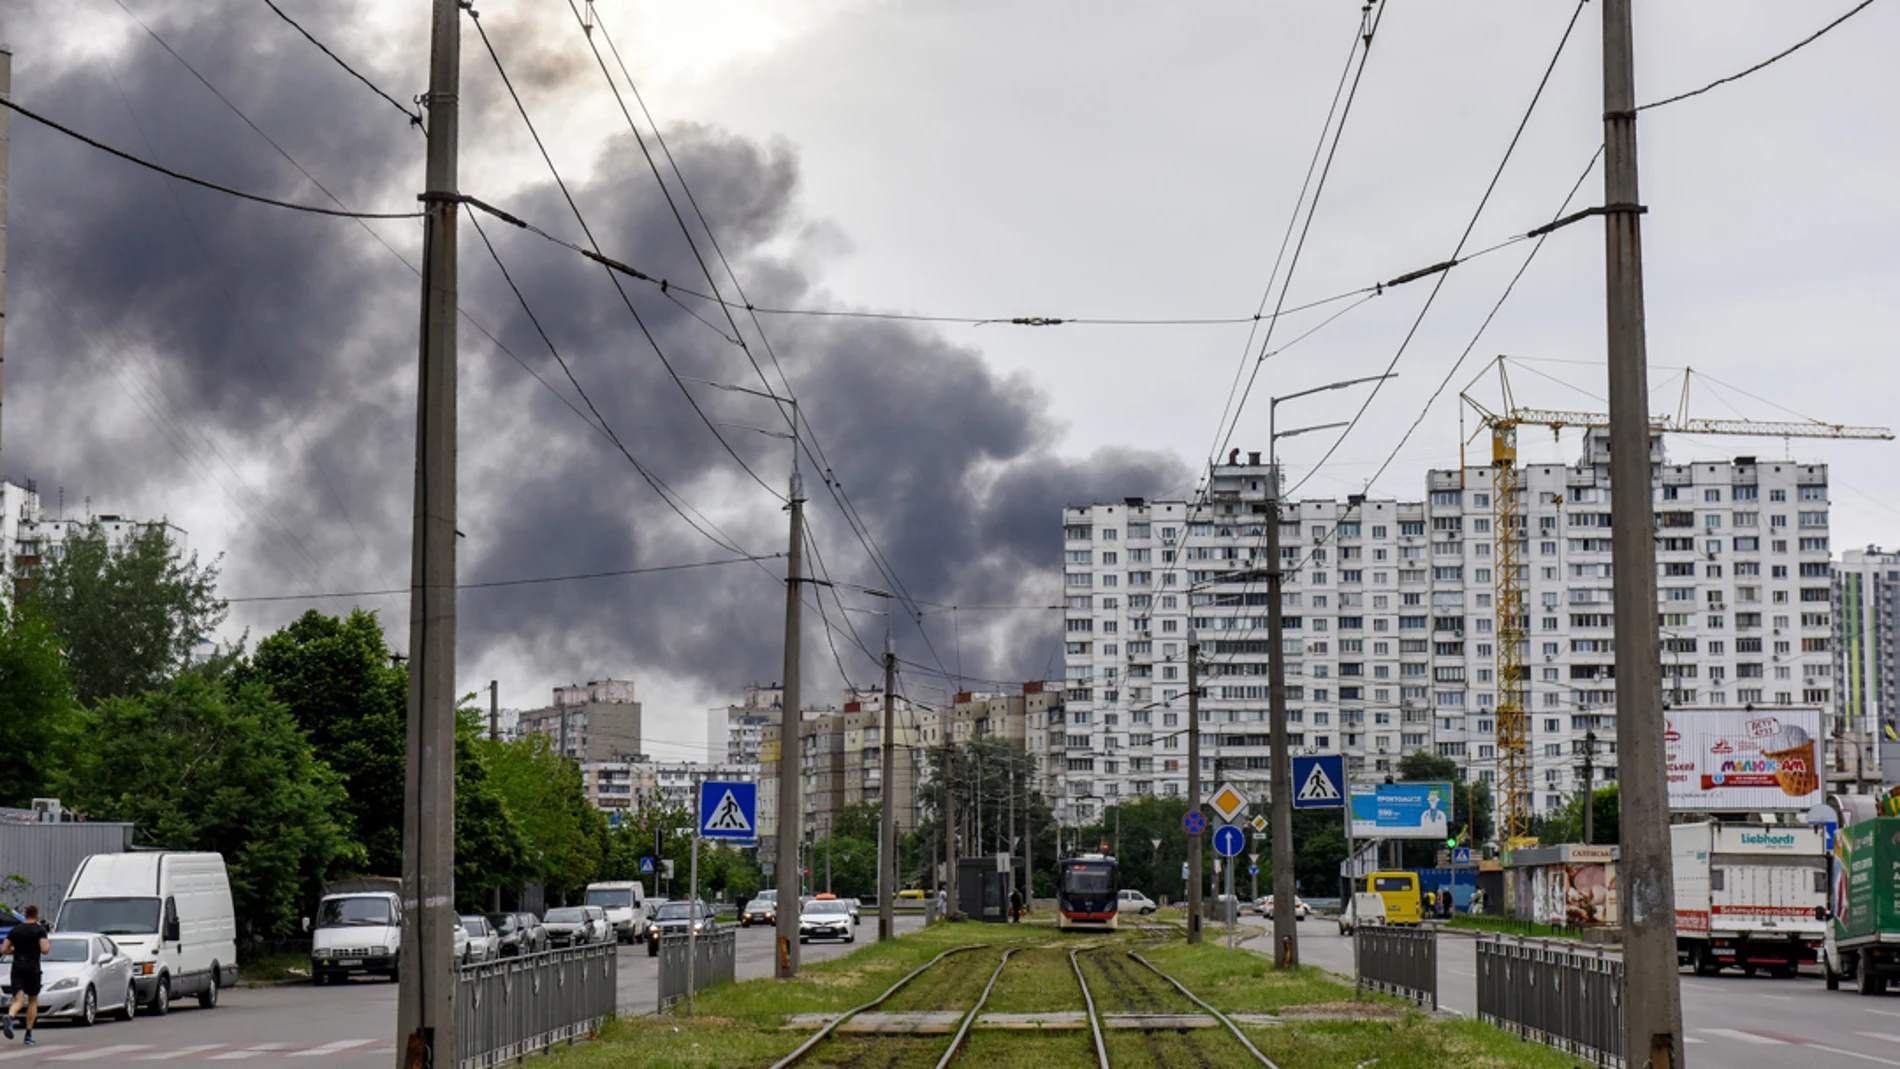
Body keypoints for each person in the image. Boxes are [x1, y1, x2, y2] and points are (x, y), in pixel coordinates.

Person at [1, 904, 51, 1046]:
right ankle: (28, 1034)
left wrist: (15, 951)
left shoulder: (15, 930)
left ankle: (10, 1016)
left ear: (25, 914)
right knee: (33, 1000)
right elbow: (45, 949)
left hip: (17, 967)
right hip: (32, 968)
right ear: (36, 915)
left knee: (18, 999)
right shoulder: (39, 930)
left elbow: (3, 949)